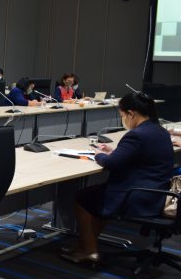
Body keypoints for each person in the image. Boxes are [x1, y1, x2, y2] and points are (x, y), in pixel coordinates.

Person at [62, 92, 174, 264]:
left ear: (131, 113)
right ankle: (85, 244)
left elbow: (112, 164)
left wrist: (99, 154)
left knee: (83, 199)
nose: (123, 120)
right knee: (96, 196)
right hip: (158, 192)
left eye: (122, 115)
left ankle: (89, 250)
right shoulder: (160, 131)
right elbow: (140, 156)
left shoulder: (137, 135)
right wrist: (114, 151)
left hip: (136, 195)